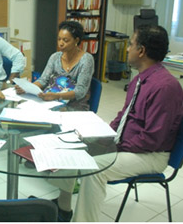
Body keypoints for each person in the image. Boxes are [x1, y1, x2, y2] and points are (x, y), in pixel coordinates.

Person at [65, 25, 183, 222]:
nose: (127, 49)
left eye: (131, 44)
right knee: (75, 147)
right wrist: (105, 135)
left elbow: (152, 139)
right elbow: (124, 114)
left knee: (95, 167)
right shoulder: (141, 78)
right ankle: (63, 206)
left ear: (142, 51)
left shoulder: (165, 87)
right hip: (131, 144)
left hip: (150, 155)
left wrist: (115, 146)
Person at [16, 21, 94, 111]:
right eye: (59, 39)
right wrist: (27, 88)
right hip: (51, 101)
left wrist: (57, 96)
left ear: (76, 40)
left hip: (74, 105)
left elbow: (80, 91)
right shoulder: (55, 57)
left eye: (65, 40)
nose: (61, 43)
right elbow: (43, 80)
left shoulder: (86, 60)